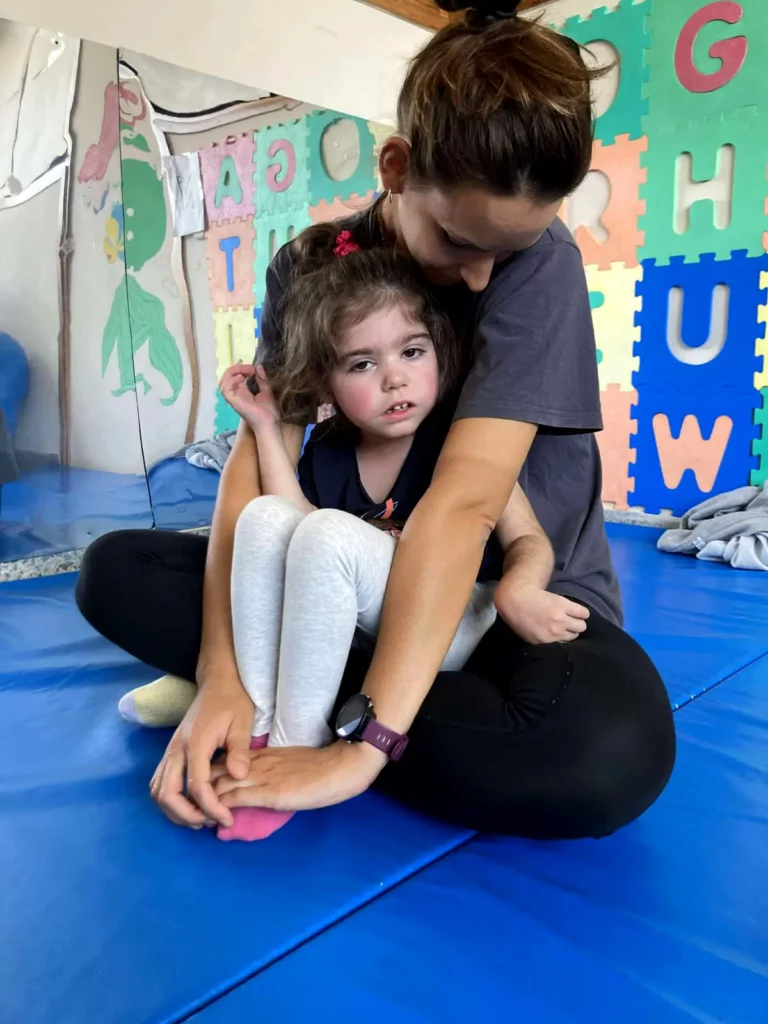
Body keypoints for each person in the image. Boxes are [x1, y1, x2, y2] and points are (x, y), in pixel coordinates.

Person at [76, 0, 675, 839]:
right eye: (460, 243)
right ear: (396, 167)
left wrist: (364, 747)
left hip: (500, 607)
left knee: (602, 755)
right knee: (112, 572)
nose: (478, 281)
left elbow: (467, 505)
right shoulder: (312, 267)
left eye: (505, 251)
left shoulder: (539, 266)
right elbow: (260, 466)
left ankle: (317, 702)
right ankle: (286, 686)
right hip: (333, 582)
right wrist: (222, 672)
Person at [205, 230, 590, 840]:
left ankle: (295, 745)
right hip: (368, 622)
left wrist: (520, 589)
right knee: (263, 518)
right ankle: (254, 719)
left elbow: (528, 540)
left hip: (450, 622)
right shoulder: (330, 452)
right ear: (326, 383)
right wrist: (262, 424)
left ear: (438, 351)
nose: (394, 380)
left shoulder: (457, 447)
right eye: (363, 364)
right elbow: (288, 524)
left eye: (411, 353)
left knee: (326, 534)